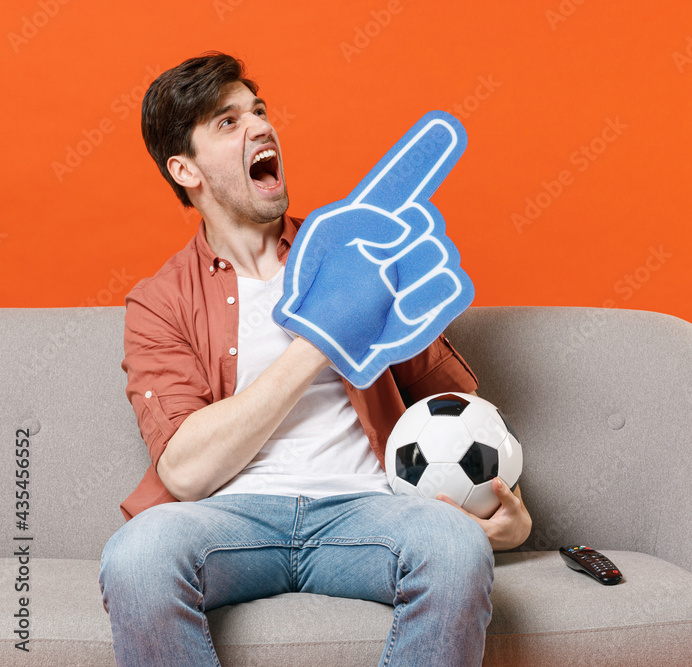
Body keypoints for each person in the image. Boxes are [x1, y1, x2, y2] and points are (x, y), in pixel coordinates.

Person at [98, 51, 531, 666]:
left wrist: (506, 511)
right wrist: (321, 338)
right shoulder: (159, 302)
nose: (260, 126)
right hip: (229, 521)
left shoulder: (357, 255)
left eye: (259, 111)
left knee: (455, 547)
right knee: (136, 558)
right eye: (228, 122)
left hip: (368, 512)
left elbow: (456, 413)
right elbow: (186, 473)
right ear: (185, 168)